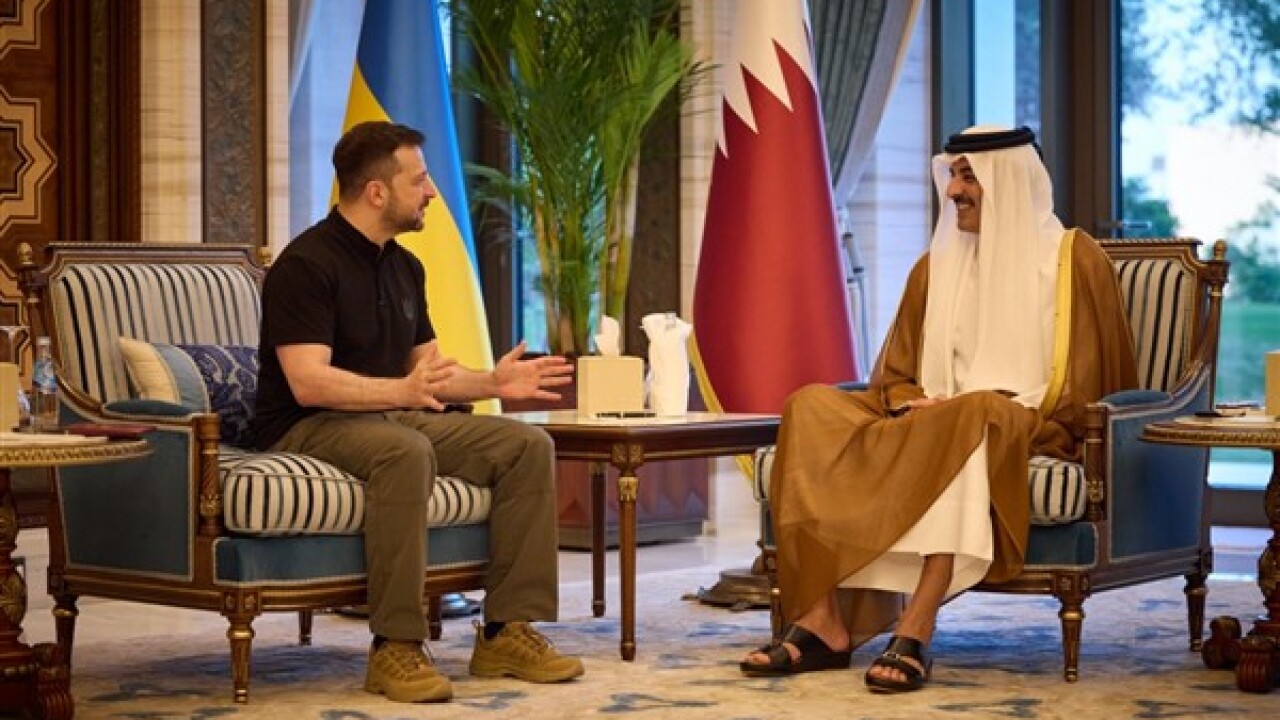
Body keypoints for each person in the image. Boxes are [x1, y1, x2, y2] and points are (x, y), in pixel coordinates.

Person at [738, 125, 1137, 693]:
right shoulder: (934, 266)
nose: (952, 191)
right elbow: (895, 376)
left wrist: (967, 406)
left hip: (1028, 420)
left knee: (970, 416)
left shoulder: (1074, 259)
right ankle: (821, 619)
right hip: (935, 414)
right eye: (952, 175)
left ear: (1009, 180)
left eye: (968, 177)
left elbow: (1088, 383)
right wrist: (914, 403)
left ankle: (917, 624)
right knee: (809, 405)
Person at [252, 120, 584, 703]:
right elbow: (307, 382)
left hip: (388, 415)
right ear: (377, 192)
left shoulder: (405, 266)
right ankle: (396, 646)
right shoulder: (306, 264)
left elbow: (428, 372)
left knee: (526, 445)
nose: (431, 192)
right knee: (406, 451)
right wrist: (402, 393)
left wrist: (492, 381)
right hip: (307, 425)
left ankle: (506, 631)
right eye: (420, 180)